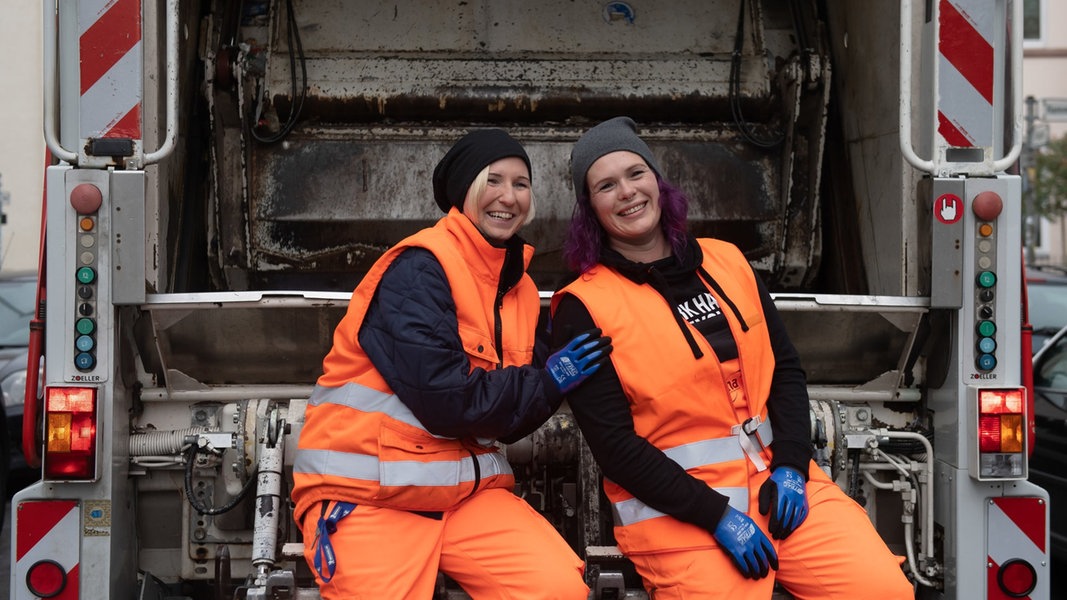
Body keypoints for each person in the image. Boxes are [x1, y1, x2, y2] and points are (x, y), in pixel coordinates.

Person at [549, 116, 914, 599]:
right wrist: (717, 515)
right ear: (589, 208)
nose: (627, 193)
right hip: (680, 515)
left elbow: (784, 370)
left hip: (780, 491)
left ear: (657, 182)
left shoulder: (728, 261)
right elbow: (615, 448)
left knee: (883, 591)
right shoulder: (583, 305)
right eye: (605, 185)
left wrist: (791, 465)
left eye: (636, 174)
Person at [291, 128, 611, 599]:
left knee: (559, 590)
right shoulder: (421, 268)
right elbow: (448, 401)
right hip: (369, 498)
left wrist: (558, 370)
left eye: (521, 184)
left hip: (466, 500)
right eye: (494, 181)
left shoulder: (518, 289)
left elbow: (505, 417)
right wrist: (548, 382)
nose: (509, 196)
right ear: (466, 191)